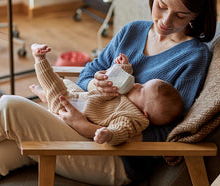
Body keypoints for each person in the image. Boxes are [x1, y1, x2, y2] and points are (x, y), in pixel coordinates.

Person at [0, 0, 216, 185]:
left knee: (8, 107)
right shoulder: (132, 32)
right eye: (161, 6)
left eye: (181, 15)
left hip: (116, 156)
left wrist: (89, 127)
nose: (165, 20)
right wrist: (95, 83)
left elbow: (173, 132)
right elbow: (87, 73)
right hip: (74, 128)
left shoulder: (193, 57)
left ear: (197, 14)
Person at [31, 43, 184, 145]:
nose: (137, 84)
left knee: (55, 87)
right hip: (82, 97)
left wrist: (108, 135)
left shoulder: (132, 117)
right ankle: (46, 95)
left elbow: (121, 131)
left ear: (144, 112)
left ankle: (39, 59)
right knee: (68, 84)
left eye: (141, 89)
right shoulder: (127, 95)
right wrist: (122, 67)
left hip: (71, 110)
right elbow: (117, 80)